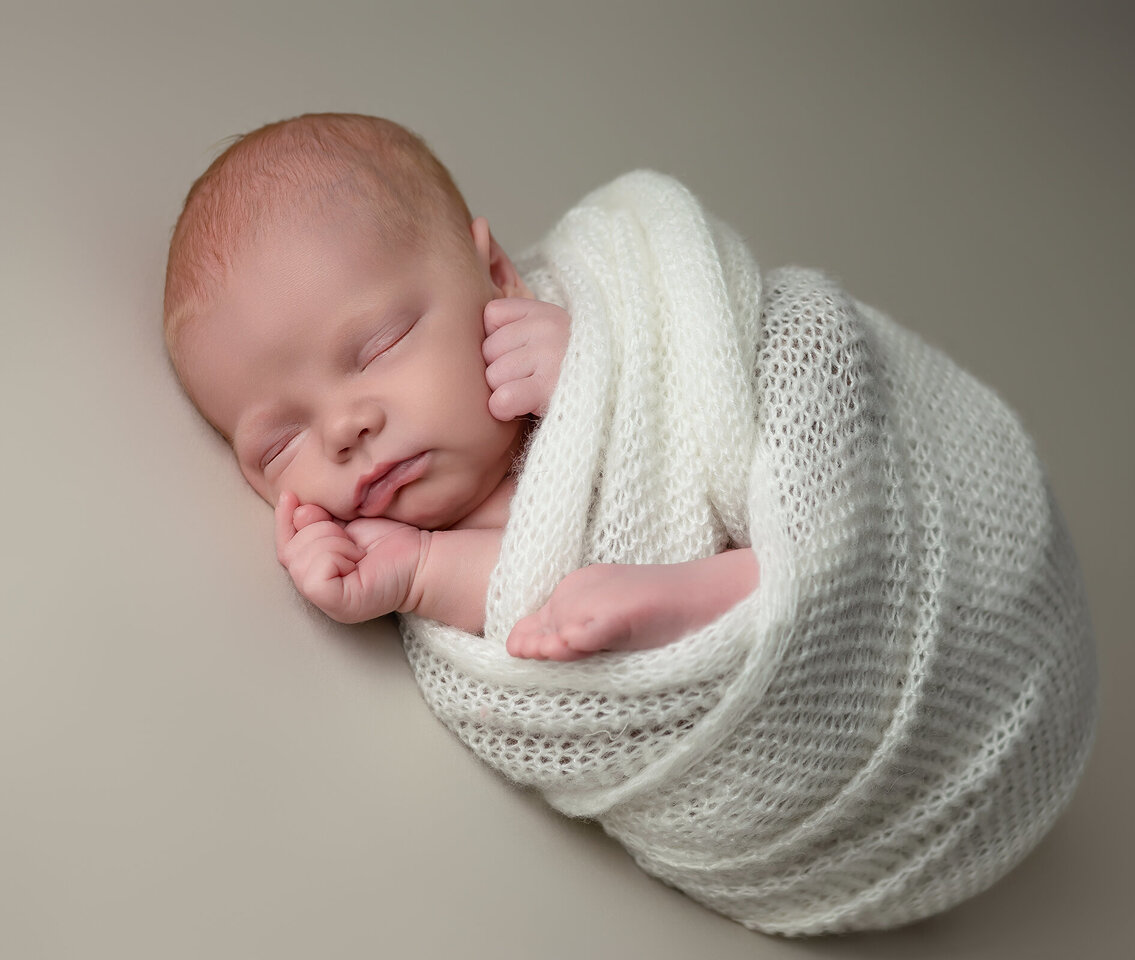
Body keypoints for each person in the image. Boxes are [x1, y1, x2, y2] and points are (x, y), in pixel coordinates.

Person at [164, 112, 758, 661]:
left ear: (497, 274)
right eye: (280, 443)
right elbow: (524, 600)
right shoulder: (418, 541)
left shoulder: (581, 320)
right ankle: (720, 600)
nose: (344, 429)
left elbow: (695, 379)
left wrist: (594, 376)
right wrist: (419, 572)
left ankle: (749, 585)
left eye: (382, 345)